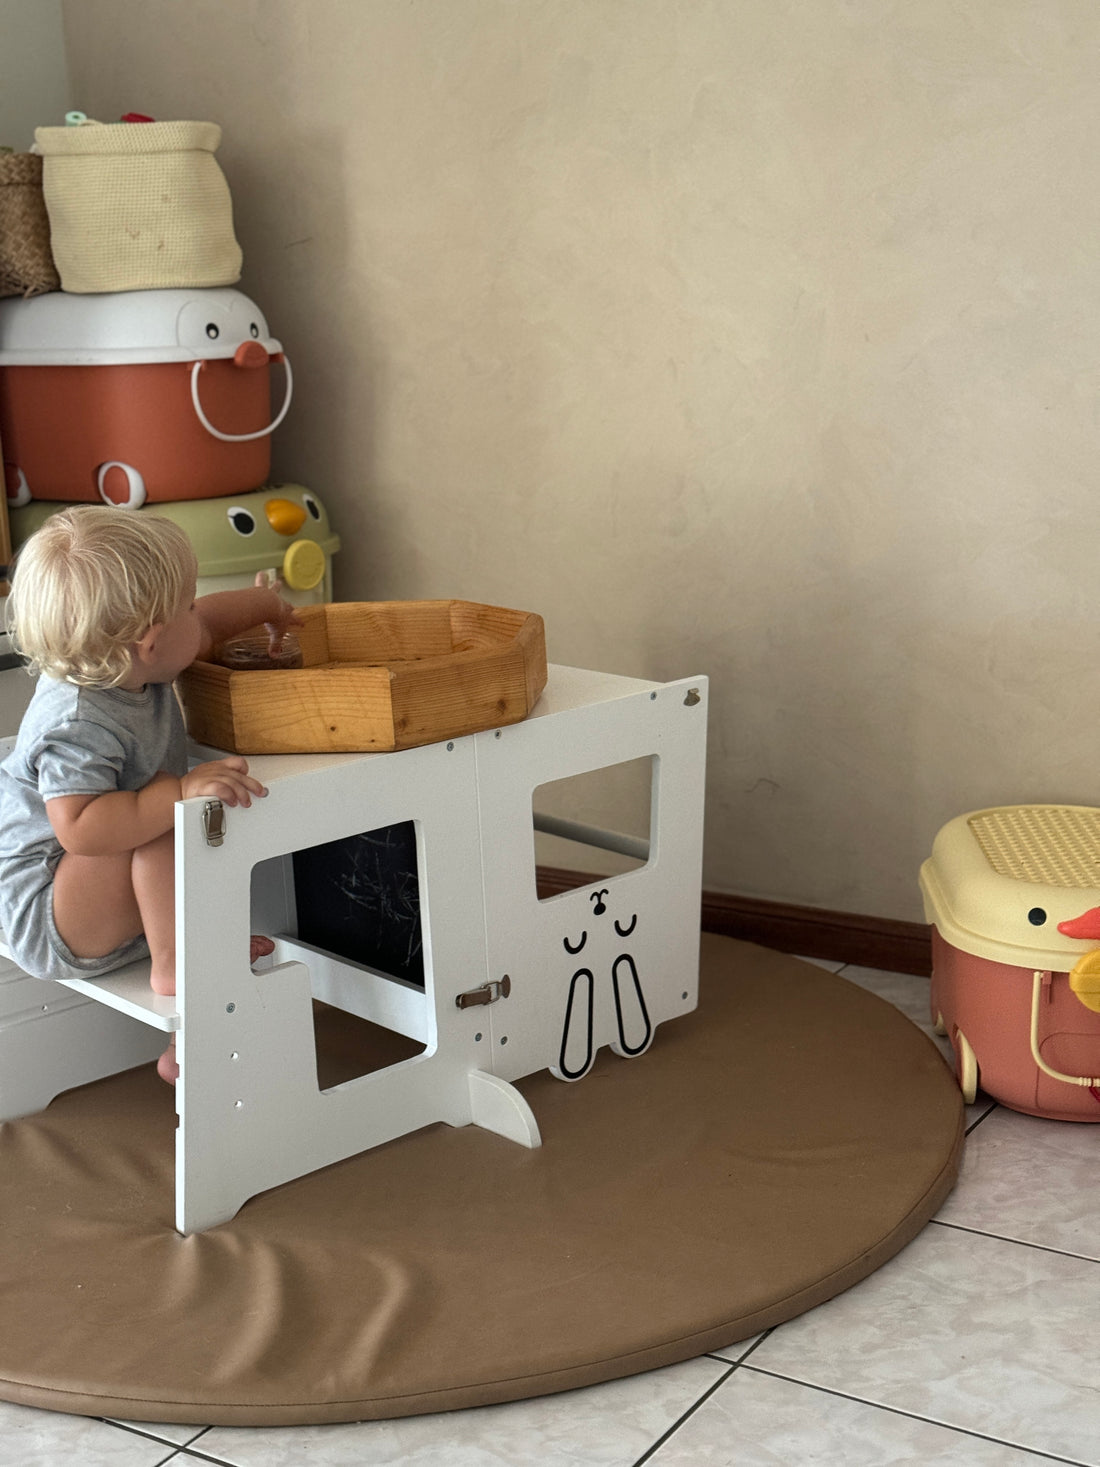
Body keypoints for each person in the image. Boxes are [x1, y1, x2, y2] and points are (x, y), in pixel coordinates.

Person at [0, 505, 301, 1083]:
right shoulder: (81, 720)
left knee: (171, 824)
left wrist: (266, 606)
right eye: (187, 603)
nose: (199, 611)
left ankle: (182, 1004)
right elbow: (80, 828)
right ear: (151, 641)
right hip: (50, 912)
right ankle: (176, 975)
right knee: (167, 825)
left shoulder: (126, 661)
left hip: (84, 884)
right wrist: (176, 791)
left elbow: (205, 624)